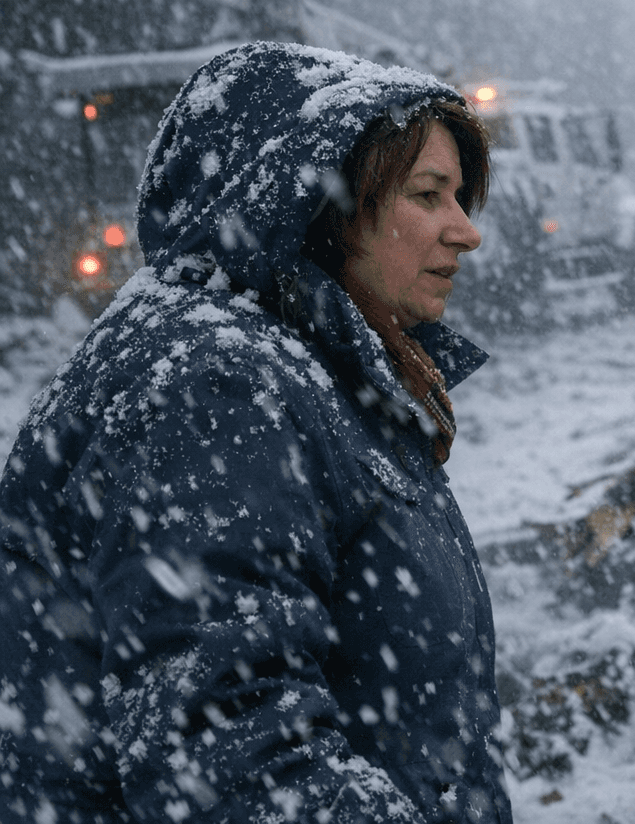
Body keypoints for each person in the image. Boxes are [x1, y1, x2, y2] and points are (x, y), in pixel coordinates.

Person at [0, 42, 514, 824]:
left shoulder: (300, 363)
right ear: (314, 205)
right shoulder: (220, 384)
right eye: (428, 195)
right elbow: (232, 749)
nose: (464, 231)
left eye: (459, 198)